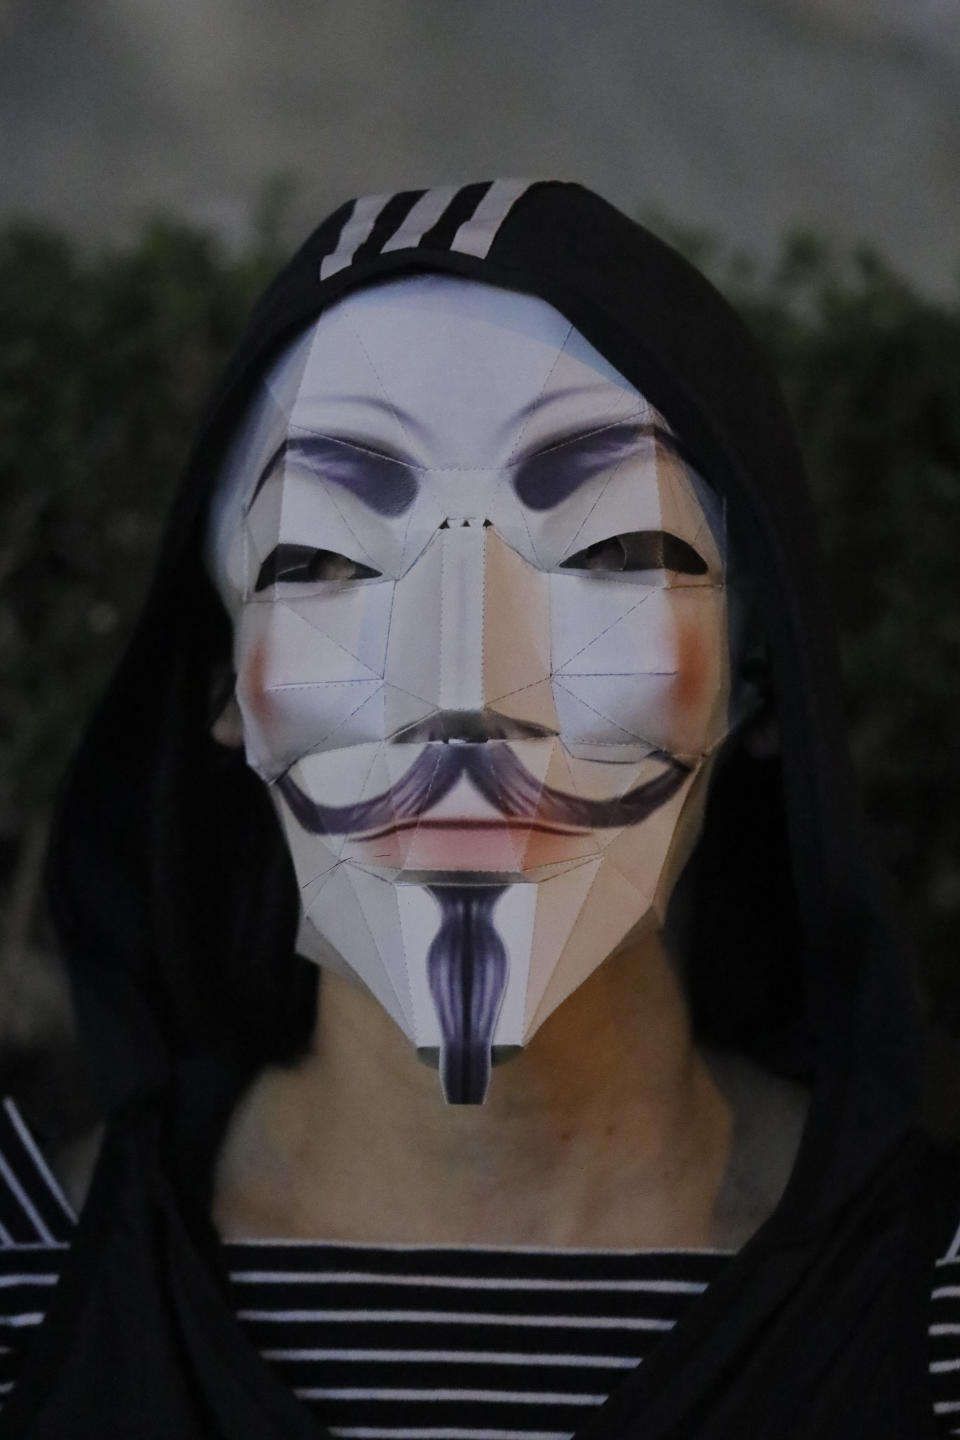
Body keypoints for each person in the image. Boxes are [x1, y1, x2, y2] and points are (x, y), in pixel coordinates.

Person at [0, 179, 957, 1437]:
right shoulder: (31, 1288)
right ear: (228, 682)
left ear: (756, 674)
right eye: (324, 561)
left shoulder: (927, 1311)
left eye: (615, 553)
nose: (464, 694)